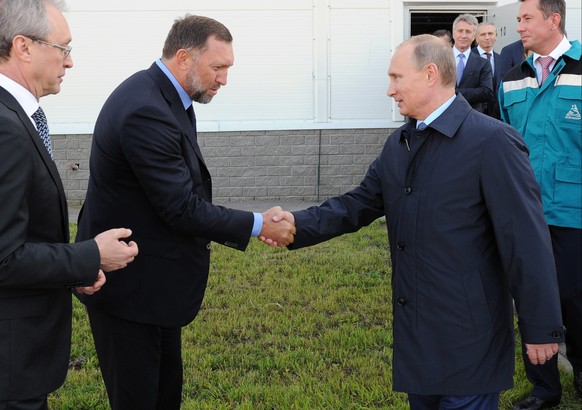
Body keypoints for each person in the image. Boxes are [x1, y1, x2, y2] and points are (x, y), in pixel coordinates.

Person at [264, 34, 565, 410]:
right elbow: (356, 204)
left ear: (429, 74)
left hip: (471, 340)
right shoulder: (400, 143)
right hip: (419, 337)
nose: (389, 90)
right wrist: (294, 222)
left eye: (395, 78)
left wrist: (541, 328)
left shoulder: (493, 143)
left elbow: (527, 244)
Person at [75, 14, 296, 410]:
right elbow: (180, 208)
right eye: (218, 67)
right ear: (183, 58)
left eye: (228, 68)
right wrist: (260, 224)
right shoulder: (146, 108)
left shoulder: (164, 96)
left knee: (164, 394)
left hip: (153, 287)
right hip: (131, 291)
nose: (224, 79)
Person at [0, 0, 139, 408]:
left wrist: (73, 268)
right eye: (64, 48)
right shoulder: (6, 128)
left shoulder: (17, 117)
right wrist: (89, 255)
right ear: (23, 47)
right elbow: (4, 257)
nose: (71, 61)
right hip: (10, 361)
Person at [499, 0, 582, 408]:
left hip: (574, 212)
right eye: (517, 19)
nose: (518, 27)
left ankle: (580, 371)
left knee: (575, 299)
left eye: (526, 18)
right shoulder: (511, 80)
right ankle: (545, 388)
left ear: (554, 20)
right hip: (525, 213)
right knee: (530, 297)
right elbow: (507, 148)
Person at [451, 14, 493, 113]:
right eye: (460, 31)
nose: (464, 35)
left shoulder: (483, 63)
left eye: (468, 32)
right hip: (444, 116)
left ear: (474, 36)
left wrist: (453, 93)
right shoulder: (441, 58)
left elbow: (487, 92)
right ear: (453, 33)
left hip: (471, 116)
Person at [472, 21, 502, 119]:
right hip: (474, 112)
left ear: (496, 36)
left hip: (497, 114)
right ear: (476, 38)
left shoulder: (502, 59)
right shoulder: (469, 58)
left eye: (490, 33)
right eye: (483, 34)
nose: (487, 37)